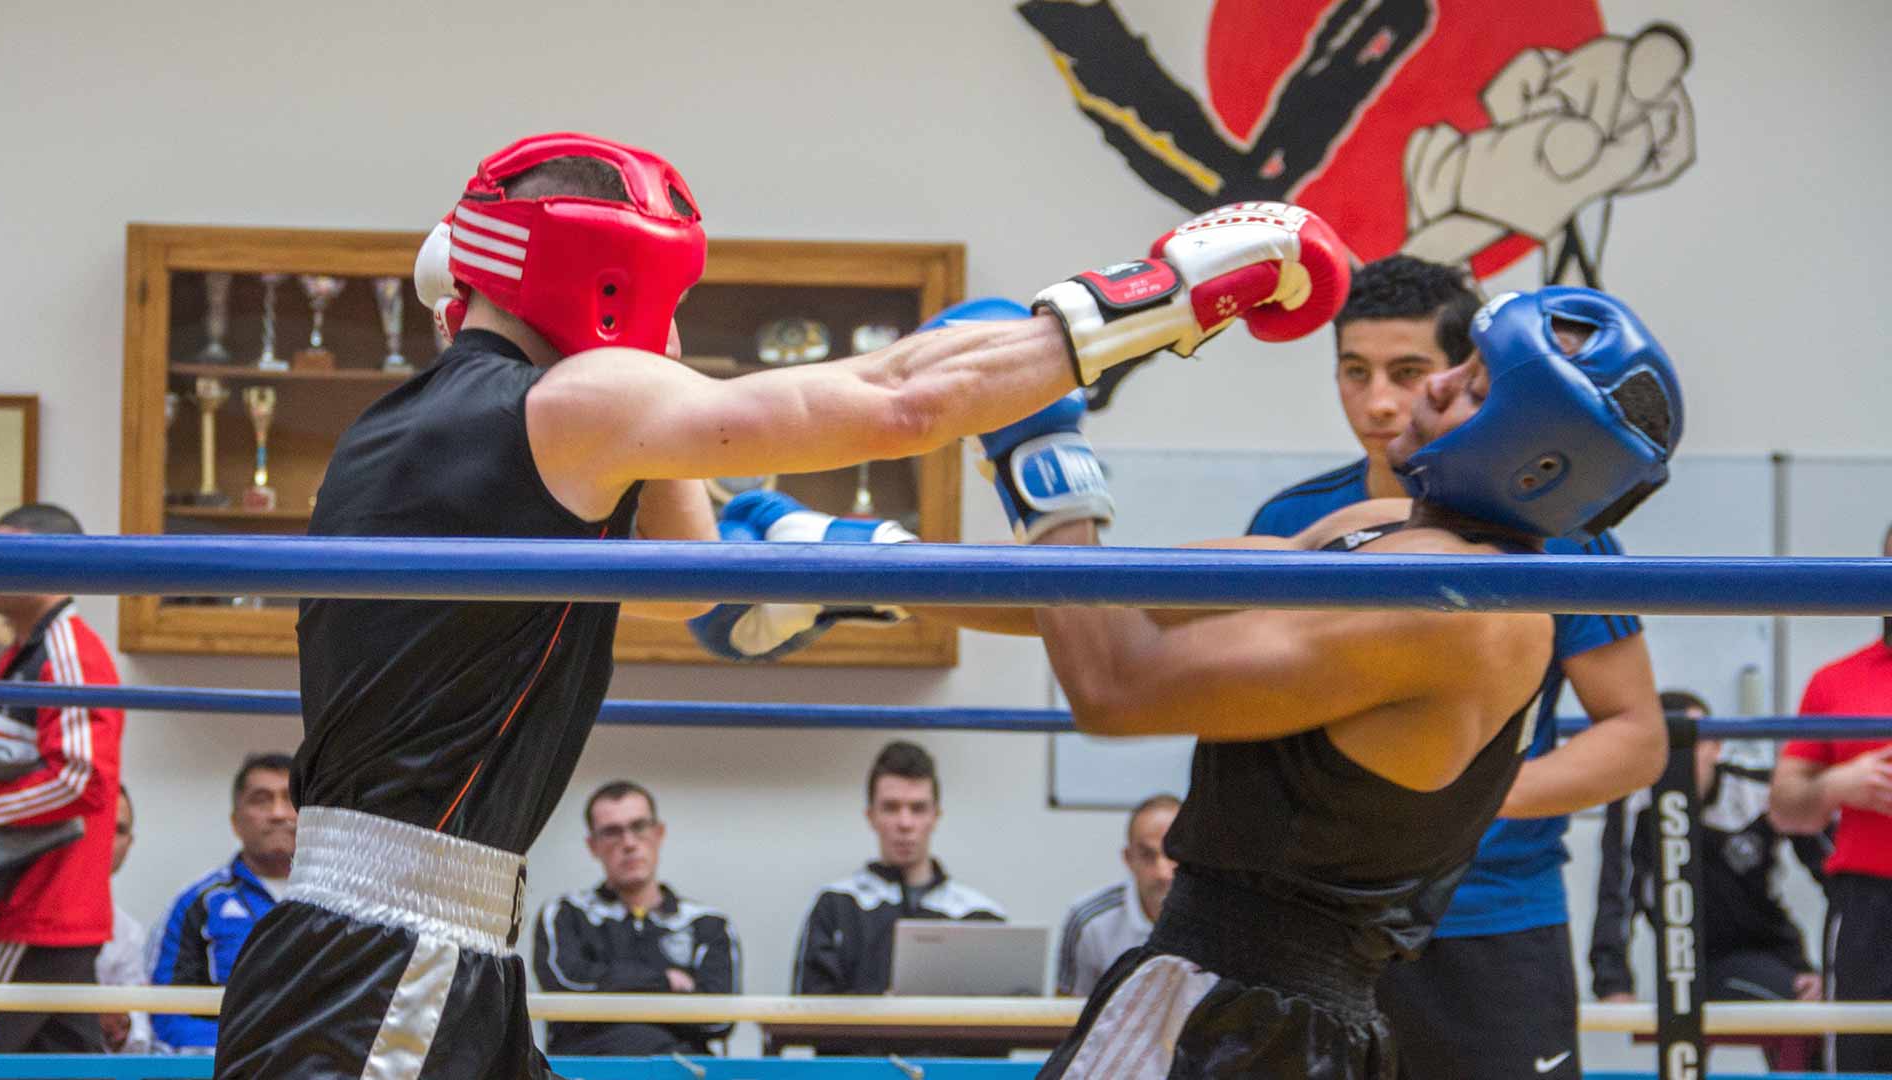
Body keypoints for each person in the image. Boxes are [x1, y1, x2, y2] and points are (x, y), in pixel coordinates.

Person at [211, 127, 1347, 1080]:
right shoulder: (573, 405)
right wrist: (1171, 293)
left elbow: (706, 576)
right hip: (392, 954)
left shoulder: (403, 431)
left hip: (415, 938)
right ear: (618, 281)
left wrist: (831, 544)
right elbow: (902, 402)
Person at [717, 284, 1682, 1077]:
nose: (1426, 395)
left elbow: (1119, 683)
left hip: (1253, 1016)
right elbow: (1114, 594)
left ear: (1531, 457)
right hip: (1210, 987)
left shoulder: (1463, 611)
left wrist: (1039, 449)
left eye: (1467, 387)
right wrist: (851, 560)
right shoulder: (1367, 534)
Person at [1244, 256, 1664, 1080]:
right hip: (1311, 919)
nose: (1377, 402)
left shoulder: (1562, 535)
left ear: (1462, 379)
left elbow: (1635, 734)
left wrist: (1447, 801)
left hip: (1491, 920)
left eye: (1407, 372)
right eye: (1353, 372)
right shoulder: (1294, 521)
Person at [1591, 691, 1826, 1071]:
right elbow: (1615, 892)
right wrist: (1613, 981)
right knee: (1685, 1037)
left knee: (1808, 1019)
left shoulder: (1757, 789)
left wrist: (1829, 971)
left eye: (1691, 742)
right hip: (1683, 962)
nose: (1677, 758)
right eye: (1664, 744)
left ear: (1717, 746)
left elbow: (1834, 870)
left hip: (1770, 952)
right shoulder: (1633, 802)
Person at [0, 503, 123, 1057]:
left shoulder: (68, 650)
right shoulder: (22, 654)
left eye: (3, 548)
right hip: (39, 907)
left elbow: (82, 780)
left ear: (50, 561)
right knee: (71, 1064)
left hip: (37, 909)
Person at [1769, 520, 1892, 1073]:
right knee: (1861, 1058)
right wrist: (1842, 785)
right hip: (1868, 904)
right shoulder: (1836, 680)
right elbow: (1785, 806)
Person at [533, 781, 737, 1057]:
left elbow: (718, 1020)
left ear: (659, 833)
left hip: (683, 1071)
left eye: (639, 826)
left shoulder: (707, 924)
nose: (628, 843)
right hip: (587, 1071)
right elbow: (566, 987)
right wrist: (665, 982)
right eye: (611, 832)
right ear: (592, 845)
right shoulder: (565, 913)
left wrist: (609, 992)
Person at [793, 740, 1004, 996]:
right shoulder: (835, 906)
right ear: (871, 816)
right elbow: (807, 1013)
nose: (905, 823)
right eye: (891, 808)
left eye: (918, 808)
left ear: (935, 816)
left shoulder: (980, 915)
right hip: (857, 1039)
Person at [151, 754, 296, 1051]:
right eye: (261, 800)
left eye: (291, 799)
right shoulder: (200, 903)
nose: (279, 813)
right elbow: (166, 1010)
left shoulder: (344, 901)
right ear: (235, 821)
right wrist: (239, 1055)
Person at [1056, 793, 1179, 997]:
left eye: (1174, 853)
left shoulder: (1222, 919)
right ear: (1128, 859)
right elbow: (1066, 1016)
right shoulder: (1089, 920)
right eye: (1147, 855)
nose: (1163, 872)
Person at [98, 785, 153, 1055]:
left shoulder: (128, 931)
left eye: (119, 830)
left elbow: (138, 1047)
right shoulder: (13, 910)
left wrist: (120, 1025)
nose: (107, 837)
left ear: (130, 843)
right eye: (99, 823)